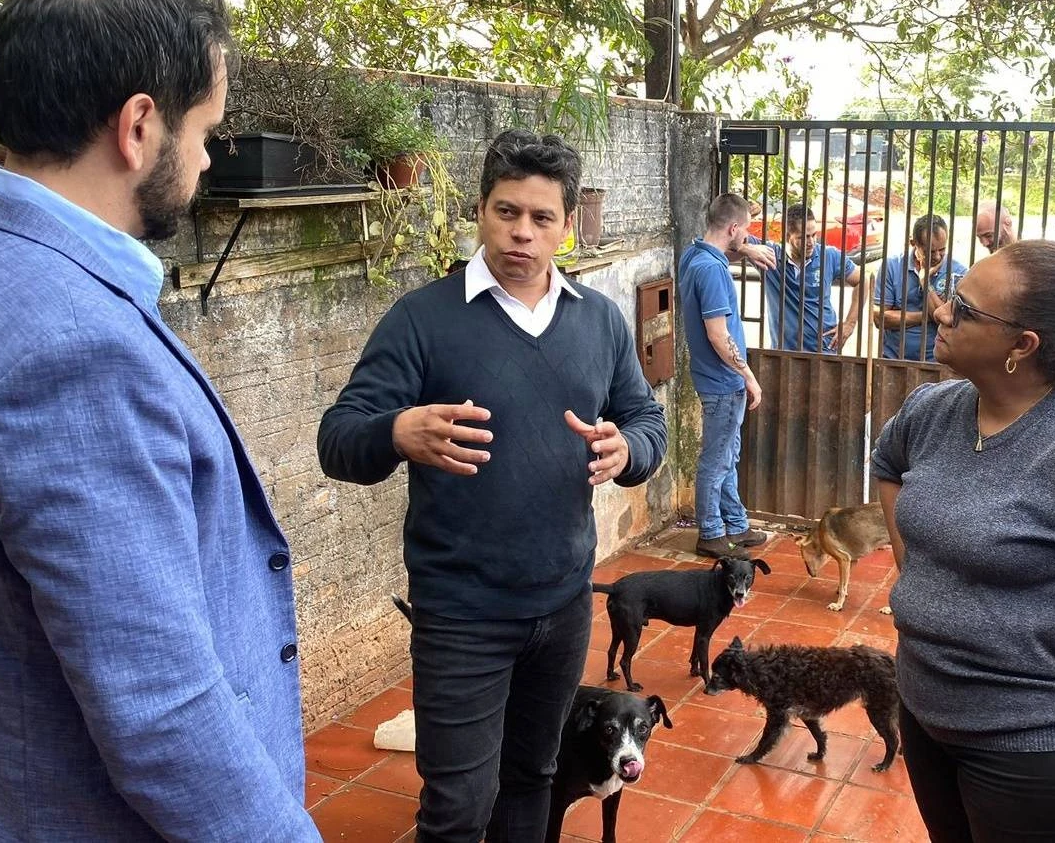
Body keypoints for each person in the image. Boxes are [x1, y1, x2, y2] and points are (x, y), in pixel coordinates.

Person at [0, 0, 320, 841]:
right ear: (138, 127)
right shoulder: (76, 347)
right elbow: (163, 713)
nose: (207, 158)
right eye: (205, 131)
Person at [317, 130, 667, 843]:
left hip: (563, 604)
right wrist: (397, 431)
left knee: (533, 776)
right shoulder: (424, 319)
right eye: (507, 212)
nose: (522, 233)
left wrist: (627, 447)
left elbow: (646, 422)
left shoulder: (597, 320)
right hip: (462, 614)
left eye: (542, 218)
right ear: (480, 210)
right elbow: (338, 438)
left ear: (566, 226)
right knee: (457, 806)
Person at [871, 240, 1055, 842]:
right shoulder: (933, 410)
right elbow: (888, 462)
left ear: (1022, 345)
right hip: (925, 710)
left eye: (964, 308)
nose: (941, 312)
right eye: (951, 296)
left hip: (1029, 744)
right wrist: (917, 571)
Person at [679, 193, 772, 558]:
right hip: (722, 380)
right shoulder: (713, 271)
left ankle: (735, 523)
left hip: (715, 378)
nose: (747, 237)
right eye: (745, 230)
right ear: (733, 228)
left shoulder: (694, 254)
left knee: (727, 454)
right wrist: (749, 376)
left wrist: (744, 250)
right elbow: (718, 335)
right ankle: (710, 532)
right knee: (716, 459)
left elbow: (726, 250)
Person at [761, 202, 865, 353]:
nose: (811, 242)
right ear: (787, 236)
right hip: (784, 354)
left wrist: (850, 323)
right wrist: (747, 247)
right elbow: (732, 240)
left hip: (824, 350)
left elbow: (864, 280)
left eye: (814, 235)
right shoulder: (770, 256)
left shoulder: (829, 255)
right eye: (804, 237)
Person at [872, 214, 967, 360]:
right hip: (893, 359)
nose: (937, 256)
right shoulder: (892, 266)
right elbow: (880, 318)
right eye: (930, 251)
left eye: (942, 249)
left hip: (936, 362)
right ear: (913, 243)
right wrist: (928, 315)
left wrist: (925, 282)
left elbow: (949, 321)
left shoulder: (958, 272)